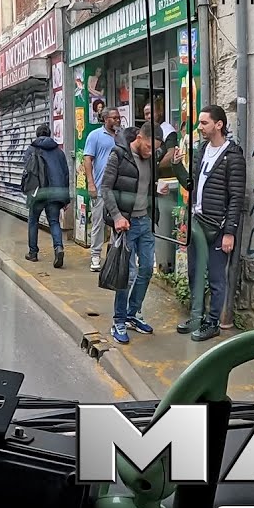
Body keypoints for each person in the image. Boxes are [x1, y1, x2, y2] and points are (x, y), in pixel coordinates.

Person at [169, 105, 246, 342]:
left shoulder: (233, 156)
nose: (200, 127)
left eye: (204, 123)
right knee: (193, 273)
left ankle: (212, 323)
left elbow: (236, 197)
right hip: (197, 223)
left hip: (218, 226)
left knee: (215, 278)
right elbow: (192, 185)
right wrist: (176, 167)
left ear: (218, 125)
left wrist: (230, 232)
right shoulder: (202, 150)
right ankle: (196, 317)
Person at [102, 122, 174, 345]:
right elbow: (106, 188)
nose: (152, 152)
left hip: (145, 222)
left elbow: (141, 186)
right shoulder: (119, 155)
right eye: (150, 147)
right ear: (141, 138)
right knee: (127, 274)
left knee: (145, 270)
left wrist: (156, 191)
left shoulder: (149, 158)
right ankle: (119, 320)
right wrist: (117, 217)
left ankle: (133, 313)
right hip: (126, 223)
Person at [21, 124, 70, 269]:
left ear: (37, 135)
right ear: (49, 134)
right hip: (55, 192)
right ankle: (58, 248)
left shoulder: (31, 149)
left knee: (33, 221)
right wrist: (65, 198)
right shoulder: (59, 152)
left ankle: (33, 253)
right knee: (54, 222)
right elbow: (66, 174)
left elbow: (27, 171)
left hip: (38, 192)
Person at [83, 108, 120, 272]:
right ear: (105, 119)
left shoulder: (122, 136)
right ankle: (95, 255)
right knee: (98, 223)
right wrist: (91, 184)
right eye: (114, 118)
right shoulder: (95, 136)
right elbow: (87, 159)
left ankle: (113, 255)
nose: (118, 120)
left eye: (119, 117)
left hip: (118, 188)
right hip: (100, 188)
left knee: (117, 222)